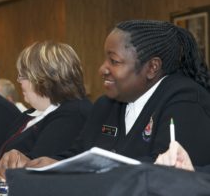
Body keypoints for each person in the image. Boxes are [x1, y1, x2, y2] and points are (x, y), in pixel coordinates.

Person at [24, 20, 210, 171]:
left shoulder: (186, 101)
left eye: (114, 61)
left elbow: (166, 172)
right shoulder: (106, 104)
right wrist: (51, 163)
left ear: (152, 67)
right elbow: (79, 154)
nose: (102, 69)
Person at [0, 41, 92, 177]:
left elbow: (35, 167)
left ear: (44, 77)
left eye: (23, 75)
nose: (19, 80)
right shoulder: (29, 115)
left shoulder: (71, 114)